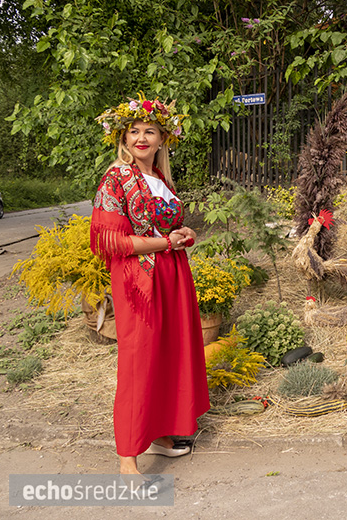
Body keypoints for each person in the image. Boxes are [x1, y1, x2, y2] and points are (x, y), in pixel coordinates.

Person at [90, 95, 210, 473]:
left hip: (171, 274)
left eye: (150, 131)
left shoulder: (160, 179)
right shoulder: (116, 178)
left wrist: (183, 233)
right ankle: (128, 456)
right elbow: (111, 241)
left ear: (163, 139)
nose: (141, 138)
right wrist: (165, 243)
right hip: (137, 280)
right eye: (134, 131)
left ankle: (159, 434)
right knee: (139, 360)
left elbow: (169, 228)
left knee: (167, 353)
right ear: (123, 139)